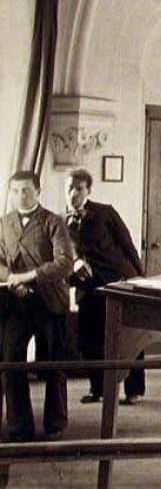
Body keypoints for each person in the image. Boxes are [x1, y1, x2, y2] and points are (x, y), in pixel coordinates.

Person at [0, 170, 73, 442]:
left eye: (26, 190)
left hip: (50, 302)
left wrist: (29, 276)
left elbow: (64, 262)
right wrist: (12, 280)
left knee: (53, 363)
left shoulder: (53, 222)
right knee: (10, 363)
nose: (21, 196)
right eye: (15, 191)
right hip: (15, 303)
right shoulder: (4, 223)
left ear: (38, 192)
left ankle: (55, 423)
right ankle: (19, 428)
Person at [64, 168, 147, 405]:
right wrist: (75, 265)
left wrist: (140, 278)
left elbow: (128, 245)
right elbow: (62, 255)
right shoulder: (60, 222)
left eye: (79, 189)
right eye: (69, 188)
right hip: (88, 289)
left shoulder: (105, 212)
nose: (73, 193)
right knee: (89, 338)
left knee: (129, 337)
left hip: (118, 282)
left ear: (88, 191)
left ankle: (134, 390)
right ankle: (98, 389)